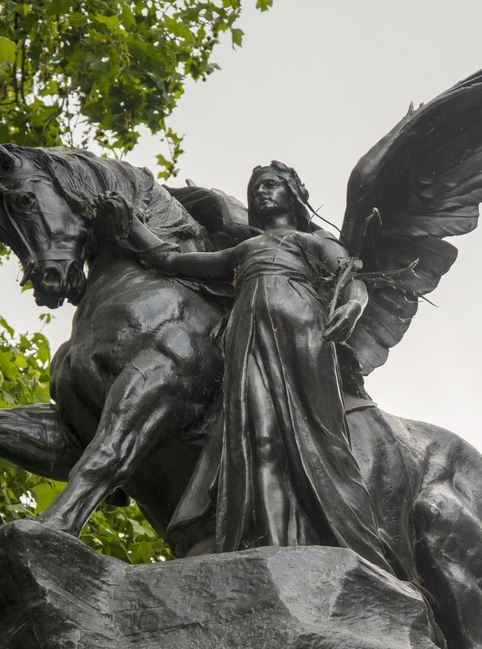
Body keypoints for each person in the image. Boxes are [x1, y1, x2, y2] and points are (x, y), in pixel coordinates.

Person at [104, 162, 394, 573]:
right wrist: (131, 224)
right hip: (248, 341)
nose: (260, 192)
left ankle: (352, 542)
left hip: (303, 337)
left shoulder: (312, 241)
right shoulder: (245, 251)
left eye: (271, 185)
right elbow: (170, 261)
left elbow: (353, 280)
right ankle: (271, 549)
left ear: (294, 194)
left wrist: (351, 305)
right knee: (256, 439)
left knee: (320, 439)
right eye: (255, 187)